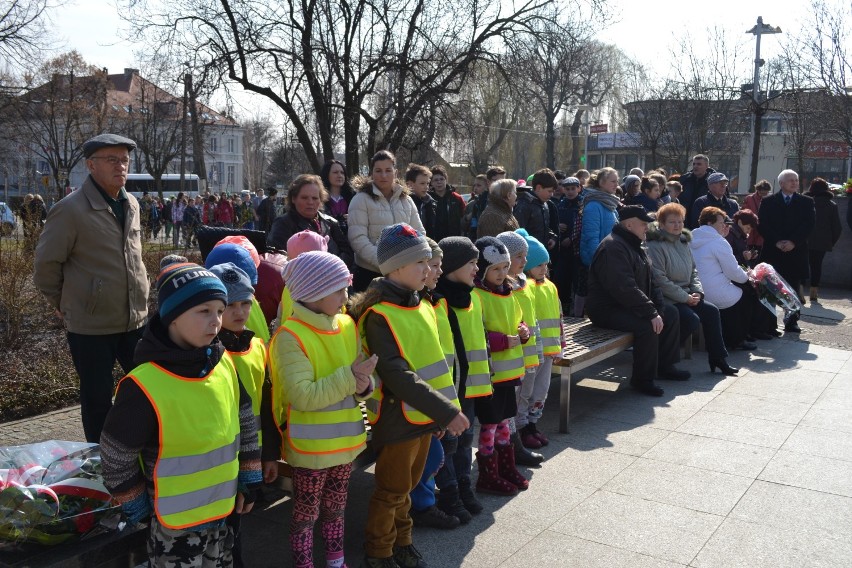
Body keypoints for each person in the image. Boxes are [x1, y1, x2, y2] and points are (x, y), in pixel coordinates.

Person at [100, 262, 261, 567]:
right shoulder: (144, 385)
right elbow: (115, 455)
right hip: (174, 528)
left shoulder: (223, 363)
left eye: (219, 310)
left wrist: (249, 477)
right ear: (172, 316)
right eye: (203, 311)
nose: (216, 321)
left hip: (222, 512)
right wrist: (136, 505)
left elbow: (245, 421)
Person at [349, 223, 468, 568]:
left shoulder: (421, 305)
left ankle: (402, 541)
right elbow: (399, 376)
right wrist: (446, 412)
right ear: (397, 267)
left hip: (423, 417)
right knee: (392, 490)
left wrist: (441, 414)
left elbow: (436, 367)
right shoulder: (379, 315)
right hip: (398, 418)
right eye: (421, 262)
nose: (428, 269)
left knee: (407, 487)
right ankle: (379, 551)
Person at [33, 133, 149, 443]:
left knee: (149, 387)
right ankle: (100, 464)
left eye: (124, 160)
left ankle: (140, 449)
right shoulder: (70, 210)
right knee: (97, 400)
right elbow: (46, 266)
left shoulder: (131, 203)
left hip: (134, 321)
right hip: (91, 327)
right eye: (112, 160)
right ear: (90, 165)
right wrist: (66, 303)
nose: (120, 166)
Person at [266, 251, 375, 568]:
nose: (346, 296)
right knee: (306, 513)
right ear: (313, 292)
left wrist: (365, 384)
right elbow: (303, 396)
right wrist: (352, 378)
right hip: (312, 449)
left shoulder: (345, 324)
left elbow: (360, 381)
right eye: (339, 289)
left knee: (336, 508)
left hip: (345, 442)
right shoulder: (290, 336)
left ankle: (336, 561)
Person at [586, 205, 689, 397]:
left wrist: (657, 308)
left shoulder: (635, 244)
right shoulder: (613, 247)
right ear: (629, 225)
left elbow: (652, 282)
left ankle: (665, 366)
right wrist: (650, 312)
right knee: (647, 326)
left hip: (627, 305)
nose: (647, 228)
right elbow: (623, 287)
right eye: (643, 224)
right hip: (607, 310)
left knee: (671, 313)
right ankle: (642, 379)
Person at [206, 262, 266, 568]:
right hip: (221, 462)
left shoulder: (256, 346)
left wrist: (269, 456)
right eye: (229, 304)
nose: (239, 311)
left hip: (250, 455)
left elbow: (266, 402)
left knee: (235, 534)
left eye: (246, 303)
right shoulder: (210, 355)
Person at [408, 239, 467, 530]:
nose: (437, 271)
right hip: (421, 400)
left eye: (439, 265)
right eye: (433, 265)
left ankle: (433, 500)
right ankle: (423, 505)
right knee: (426, 459)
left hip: (440, 393)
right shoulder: (416, 305)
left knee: (435, 456)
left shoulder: (435, 302)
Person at [433, 236, 490, 520]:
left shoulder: (473, 298)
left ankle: (464, 485)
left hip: (470, 387)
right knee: (449, 443)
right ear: (453, 265)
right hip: (447, 388)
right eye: (471, 263)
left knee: (466, 440)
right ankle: (449, 491)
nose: (476, 269)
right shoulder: (438, 302)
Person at [646, 203, 738, 376]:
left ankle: (718, 358)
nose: (678, 225)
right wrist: (685, 298)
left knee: (711, 311)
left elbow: (693, 271)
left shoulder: (683, 241)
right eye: (672, 222)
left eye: (680, 221)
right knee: (690, 319)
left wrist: (697, 291)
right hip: (668, 297)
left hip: (687, 293)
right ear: (662, 223)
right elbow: (660, 280)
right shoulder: (655, 245)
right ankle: (663, 361)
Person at [472, 237, 531, 495]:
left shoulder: (508, 291)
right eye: (495, 269)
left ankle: (506, 467)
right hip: (491, 374)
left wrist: (523, 330)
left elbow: (517, 319)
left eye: (505, 267)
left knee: (505, 420)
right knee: (490, 423)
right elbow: (477, 332)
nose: (502, 273)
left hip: (509, 372)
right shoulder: (478, 296)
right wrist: (502, 341)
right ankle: (488, 473)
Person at [494, 230, 545, 466]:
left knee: (521, 397)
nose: (525, 261)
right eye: (519, 256)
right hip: (509, 355)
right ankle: (509, 446)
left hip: (526, 349)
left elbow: (528, 317)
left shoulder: (523, 281)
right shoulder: (502, 287)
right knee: (509, 404)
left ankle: (513, 444)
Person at [347, 150, 426, 292]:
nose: (383, 175)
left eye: (388, 170)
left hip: (404, 273)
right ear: (371, 173)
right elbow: (358, 239)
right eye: (378, 171)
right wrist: (386, 263)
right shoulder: (360, 200)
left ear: (395, 172)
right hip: (369, 275)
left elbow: (419, 233)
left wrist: (410, 261)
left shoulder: (406, 200)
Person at [690, 207, 758, 351]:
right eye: (721, 223)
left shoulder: (692, 237)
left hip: (695, 288)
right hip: (711, 290)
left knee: (737, 290)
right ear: (709, 223)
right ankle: (737, 339)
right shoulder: (718, 242)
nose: (725, 226)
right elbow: (733, 271)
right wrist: (748, 278)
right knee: (747, 294)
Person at [758, 169, 816, 332]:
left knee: (793, 288)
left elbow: (809, 225)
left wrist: (793, 242)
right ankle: (769, 324)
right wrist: (776, 241)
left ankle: (792, 321)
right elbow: (763, 224)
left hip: (795, 251)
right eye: (791, 180)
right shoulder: (769, 201)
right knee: (770, 288)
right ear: (781, 183)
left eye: (796, 180)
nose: (795, 183)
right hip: (773, 251)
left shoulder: (806, 201)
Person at [268, 174, 354, 267]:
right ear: (293, 198)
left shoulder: (331, 223)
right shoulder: (283, 224)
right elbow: (278, 260)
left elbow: (348, 253)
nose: (310, 202)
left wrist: (332, 267)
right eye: (304, 198)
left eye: (315, 198)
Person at [576, 167, 621, 317]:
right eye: (612, 181)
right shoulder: (594, 205)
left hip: (608, 258)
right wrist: (598, 260)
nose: (616, 184)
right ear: (601, 183)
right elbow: (591, 237)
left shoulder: (610, 204)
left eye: (617, 181)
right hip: (596, 260)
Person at [804, 177, 842, 302]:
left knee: (803, 264)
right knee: (817, 266)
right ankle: (814, 292)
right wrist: (830, 241)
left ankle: (799, 290)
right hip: (822, 242)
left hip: (804, 240)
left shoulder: (805, 202)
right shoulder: (831, 205)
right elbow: (837, 227)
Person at [511, 168, 559, 251]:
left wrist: (552, 236)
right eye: (549, 191)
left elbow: (542, 226)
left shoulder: (544, 203)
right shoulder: (524, 204)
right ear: (539, 187)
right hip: (528, 254)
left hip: (540, 252)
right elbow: (518, 232)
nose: (552, 194)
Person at [428, 165, 466, 241]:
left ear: (446, 180)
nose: (439, 182)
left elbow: (464, 218)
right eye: (435, 180)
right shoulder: (427, 200)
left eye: (441, 179)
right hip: (434, 241)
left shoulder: (457, 198)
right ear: (431, 182)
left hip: (454, 240)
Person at [468, 166, 507, 237]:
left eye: (503, 181)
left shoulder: (510, 200)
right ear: (488, 182)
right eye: (496, 181)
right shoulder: (480, 202)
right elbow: (474, 227)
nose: (501, 184)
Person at [320, 159, 356, 233]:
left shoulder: (353, 196)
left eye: (342, 173)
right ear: (327, 174)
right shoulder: (319, 198)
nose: (339, 175)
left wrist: (353, 218)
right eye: (335, 172)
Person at [679, 154, 716, 224]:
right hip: (684, 221)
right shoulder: (684, 180)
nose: (695, 166)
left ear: (706, 166)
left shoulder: (714, 182)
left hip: (704, 221)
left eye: (699, 164)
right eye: (694, 164)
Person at [406, 163, 436, 233]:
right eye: (422, 183)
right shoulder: (404, 204)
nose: (426, 187)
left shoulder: (430, 203)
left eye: (427, 183)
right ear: (410, 184)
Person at [744, 179, 771, 252]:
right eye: (761, 192)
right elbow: (745, 211)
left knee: (760, 247)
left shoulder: (770, 200)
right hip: (751, 226)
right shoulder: (749, 198)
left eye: (765, 193)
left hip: (763, 227)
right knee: (749, 245)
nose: (763, 195)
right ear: (757, 190)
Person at [462, 174, 489, 240]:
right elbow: (462, 226)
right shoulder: (471, 203)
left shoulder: (490, 203)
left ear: (487, 186)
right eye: (474, 185)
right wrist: (467, 218)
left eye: (479, 185)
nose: (475, 188)